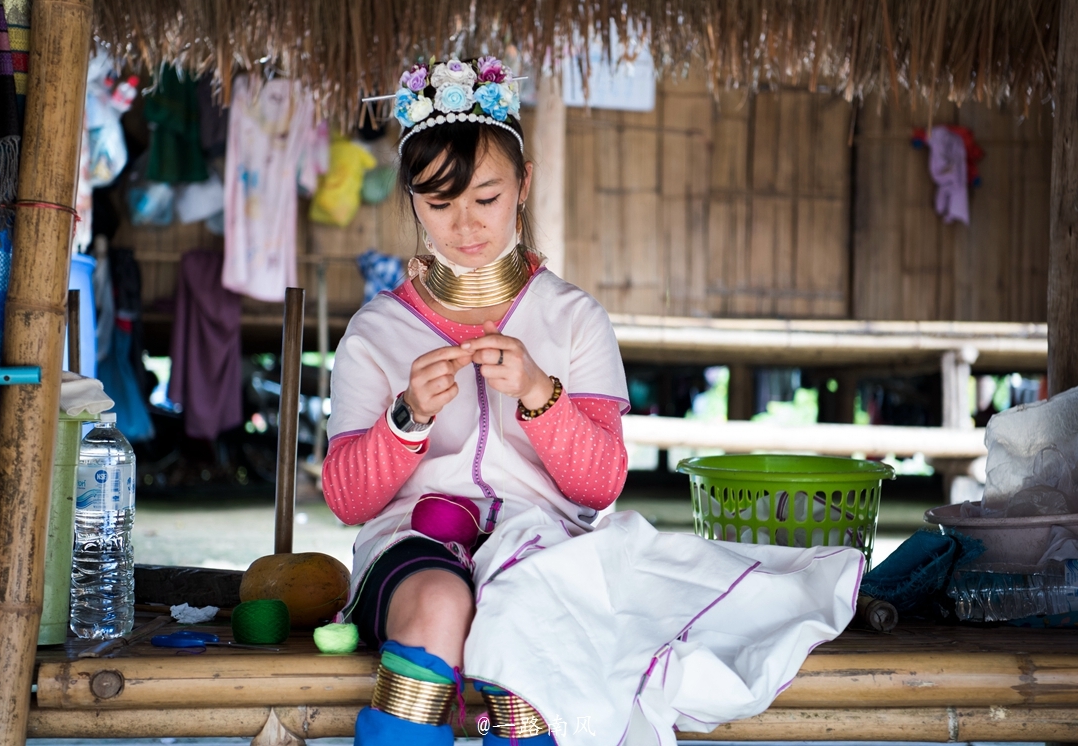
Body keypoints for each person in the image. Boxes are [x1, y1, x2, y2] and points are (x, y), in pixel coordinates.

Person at [324, 55, 863, 746]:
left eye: (485, 197)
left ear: (522, 185)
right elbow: (347, 501)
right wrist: (406, 420)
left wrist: (541, 395)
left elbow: (600, 484)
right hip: (411, 549)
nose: (464, 226)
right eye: (438, 203)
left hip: (545, 548)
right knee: (440, 601)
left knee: (528, 610)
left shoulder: (575, 320)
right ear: (412, 202)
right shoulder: (377, 331)